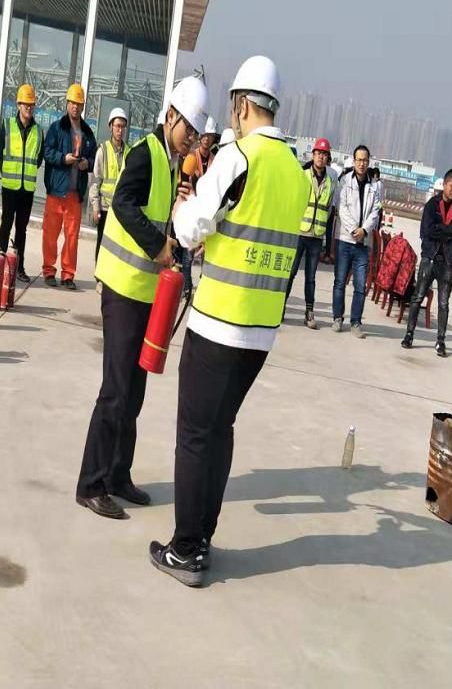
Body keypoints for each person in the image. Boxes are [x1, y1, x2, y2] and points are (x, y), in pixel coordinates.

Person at [149, 56, 309, 587]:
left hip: (219, 321)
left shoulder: (239, 157)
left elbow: (190, 229)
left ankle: (186, 549)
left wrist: (185, 208)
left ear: (241, 105)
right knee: (220, 431)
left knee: (195, 434)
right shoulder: (296, 173)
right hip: (260, 334)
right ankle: (202, 538)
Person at [75, 77, 208, 520]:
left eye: (196, 133)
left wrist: (179, 213)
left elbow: (157, 216)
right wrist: (157, 245)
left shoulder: (172, 163)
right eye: (188, 128)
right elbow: (123, 205)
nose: (191, 138)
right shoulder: (145, 153)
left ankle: (118, 474)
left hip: (146, 291)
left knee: (134, 391)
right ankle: (91, 483)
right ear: (170, 116)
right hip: (123, 287)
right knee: (115, 390)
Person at [401, 168, 452, 355]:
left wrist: (441, 228)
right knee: (418, 296)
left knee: (444, 303)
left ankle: (440, 341)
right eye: (451, 186)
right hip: (429, 257)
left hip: (447, 261)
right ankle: (409, 334)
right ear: (444, 184)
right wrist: (448, 230)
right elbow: (427, 231)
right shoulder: (432, 205)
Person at [41, 83, 97, 289]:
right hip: (56, 191)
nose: (75, 106)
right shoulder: (57, 128)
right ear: (67, 103)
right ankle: (49, 270)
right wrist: (62, 158)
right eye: (72, 102)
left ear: (83, 106)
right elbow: (47, 151)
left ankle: (68, 275)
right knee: (50, 234)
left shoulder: (87, 133)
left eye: (79, 103)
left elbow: (95, 159)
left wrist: (86, 163)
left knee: (72, 237)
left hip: (75, 194)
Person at [330, 144, 381, 337]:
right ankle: (337, 317)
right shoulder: (345, 181)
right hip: (345, 239)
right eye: (359, 160)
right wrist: (353, 229)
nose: (361, 164)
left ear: (369, 162)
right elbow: (341, 207)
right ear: (354, 161)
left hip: (363, 244)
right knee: (340, 282)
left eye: (365, 160)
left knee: (360, 286)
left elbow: (376, 212)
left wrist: (364, 230)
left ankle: (356, 322)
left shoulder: (374, 187)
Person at [0, 83, 41, 281]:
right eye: (25, 104)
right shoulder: (7, 125)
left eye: (31, 104)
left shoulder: (38, 131)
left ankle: (19, 267)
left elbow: (38, 158)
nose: (28, 107)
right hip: (10, 186)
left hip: (27, 189)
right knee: (6, 224)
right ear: (19, 105)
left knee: (21, 229)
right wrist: (8, 172)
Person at [286, 136, 335, 329]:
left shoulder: (330, 182)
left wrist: (328, 246)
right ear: (313, 155)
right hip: (300, 233)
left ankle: (309, 312)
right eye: (318, 153)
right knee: (290, 273)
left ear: (328, 158)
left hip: (316, 236)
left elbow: (330, 212)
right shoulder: (303, 175)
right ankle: (280, 307)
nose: (321, 157)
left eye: (324, 154)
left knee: (311, 278)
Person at [175, 115, 218, 300]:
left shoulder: (215, 160)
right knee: (188, 255)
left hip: (207, 212)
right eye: (205, 135)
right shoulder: (191, 158)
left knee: (207, 256)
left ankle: (202, 289)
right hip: (192, 211)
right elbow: (182, 184)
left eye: (210, 136)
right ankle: (187, 288)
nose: (207, 139)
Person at [88, 107, 128, 270]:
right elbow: (95, 181)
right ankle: (99, 273)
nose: (120, 130)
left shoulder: (129, 152)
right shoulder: (103, 150)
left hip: (120, 209)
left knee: (117, 245)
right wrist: (95, 206)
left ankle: (110, 274)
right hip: (105, 207)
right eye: (117, 126)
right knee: (102, 242)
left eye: (123, 126)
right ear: (111, 126)